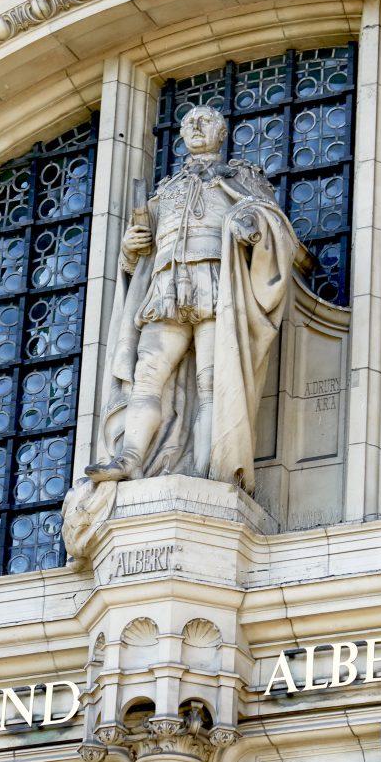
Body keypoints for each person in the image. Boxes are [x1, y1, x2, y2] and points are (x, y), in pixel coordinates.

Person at [82, 104, 304, 490]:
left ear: (221, 133)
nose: (197, 127)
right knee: (146, 376)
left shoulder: (240, 178)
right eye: (188, 123)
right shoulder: (166, 190)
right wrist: (130, 250)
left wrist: (251, 226)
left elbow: (273, 223)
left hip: (215, 283)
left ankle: (209, 473)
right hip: (165, 287)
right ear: (182, 136)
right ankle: (130, 458)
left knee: (211, 384)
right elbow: (139, 260)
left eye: (206, 121)